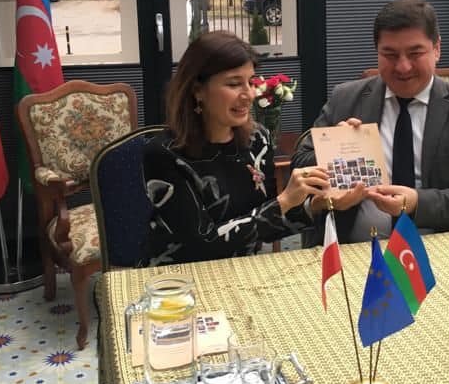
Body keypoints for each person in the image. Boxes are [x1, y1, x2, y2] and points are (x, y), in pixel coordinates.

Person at [293, 0, 449, 243]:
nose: (403, 67)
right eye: (390, 54)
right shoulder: (346, 99)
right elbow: (300, 164)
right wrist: (333, 151)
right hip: (355, 246)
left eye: (415, 53)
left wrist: (417, 202)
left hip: (435, 248)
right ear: (377, 52)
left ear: (436, 49)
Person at [138, 31, 327, 267]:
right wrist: (284, 201)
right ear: (197, 90)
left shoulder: (258, 140)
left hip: (242, 272)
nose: (249, 94)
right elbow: (202, 243)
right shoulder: (164, 154)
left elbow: (265, 223)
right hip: (178, 279)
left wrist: (314, 206)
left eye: (251, 82)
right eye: (234, 84)